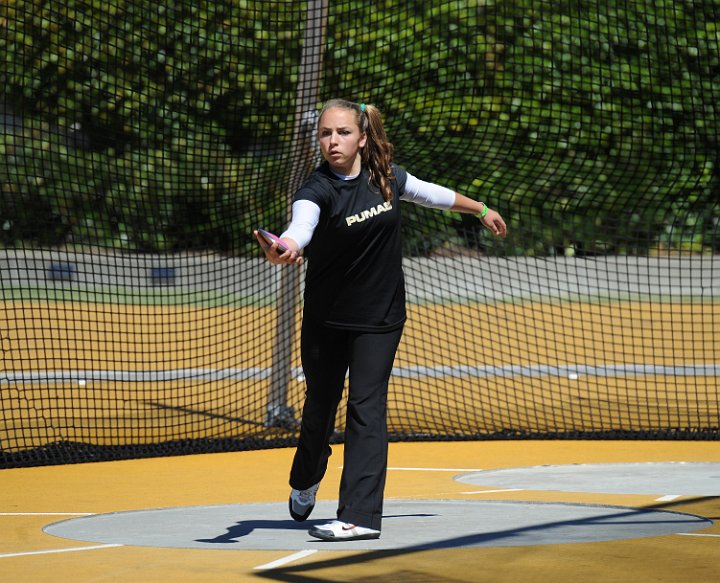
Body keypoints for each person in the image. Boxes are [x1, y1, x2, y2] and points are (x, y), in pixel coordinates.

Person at [254, 98, 506, 541]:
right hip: (327, 319)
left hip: (381, 316)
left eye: (343, 133)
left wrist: (481, 210)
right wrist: (288, 246)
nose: (333, 141)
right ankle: (307, 477)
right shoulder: (317, 189)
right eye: (326, 134)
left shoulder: (386, 178)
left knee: (366, 407)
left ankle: (359, 516)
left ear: (363, 137)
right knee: (319, 406)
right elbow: (301, 226)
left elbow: (434, 194)